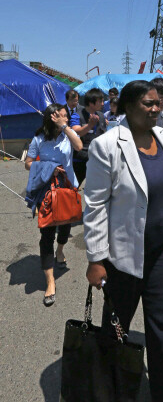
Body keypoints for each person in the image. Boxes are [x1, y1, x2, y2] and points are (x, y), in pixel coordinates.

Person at [84, 80, 163, 402]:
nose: (156, 109)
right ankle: (110, 390)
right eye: (148, 103)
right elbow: (95, 204)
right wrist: (96, 258)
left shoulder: (161, 136)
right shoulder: (107, 145)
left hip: (162, 250)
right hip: (123, 256)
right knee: (116, 330)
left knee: (162, 328)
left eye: (159, 103)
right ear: (127, 107)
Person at [25, 104, 83, 306]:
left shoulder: (67, 135)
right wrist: (49, 167)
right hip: (47, 192)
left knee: (66, 228)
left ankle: (60, 250)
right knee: (47, 234)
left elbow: (79, 147)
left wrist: (65, 126)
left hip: (68, 189)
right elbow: (28, 163)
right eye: (62, 116)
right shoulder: (39, 138)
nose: (66, 118)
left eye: (67, 116)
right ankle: (50, 282)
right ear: (52, 117)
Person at [70, 87, 106, 186]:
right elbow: (76, 133)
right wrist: (90, 125)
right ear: (91, 103)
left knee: (97, 189)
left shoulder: (102, 116)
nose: (103, 104)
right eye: (100, 101)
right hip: (80, 158)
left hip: (97, 158)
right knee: (73, 187)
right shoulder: (77, 115)